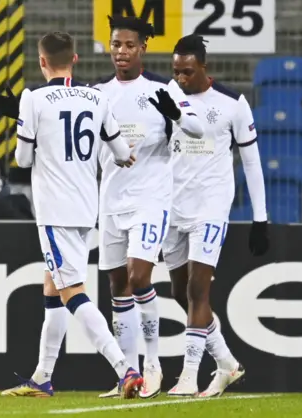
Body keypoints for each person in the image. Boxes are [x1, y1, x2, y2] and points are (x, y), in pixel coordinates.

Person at [2, 30, 145, 399]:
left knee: (71, 292)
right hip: (86, 208)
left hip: (55, 210)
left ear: (42, 62)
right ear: (75, 59)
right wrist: (125, 153)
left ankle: (124, 368)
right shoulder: (96, 97)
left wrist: (26, 125)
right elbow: (119, 151)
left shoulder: (33, 97)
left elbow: (21, 159)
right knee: (53, 286)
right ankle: (43, 376)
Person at [93, 16, 205, 399]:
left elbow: (197, 127)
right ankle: (128, 374)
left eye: (128, 45)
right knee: (117, 287)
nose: (120, 52)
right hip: (110, 199)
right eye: (115, 45)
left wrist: (176, 115)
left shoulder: (163, 87)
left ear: (143, 48)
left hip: (150, 198)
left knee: (140, 277)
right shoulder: (97, 93)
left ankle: (153, 364)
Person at [162, 34, 268, 397]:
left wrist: (260, 218)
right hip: (172, 205)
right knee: (179, 291)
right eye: (175, 72)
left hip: (211, 206)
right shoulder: (168, 97)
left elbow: (251, 162)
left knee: (197, 288)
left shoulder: (232, 103)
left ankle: (189, 375)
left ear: (203, 67)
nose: (180, 79)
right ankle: (227, 363)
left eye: (187, 72)